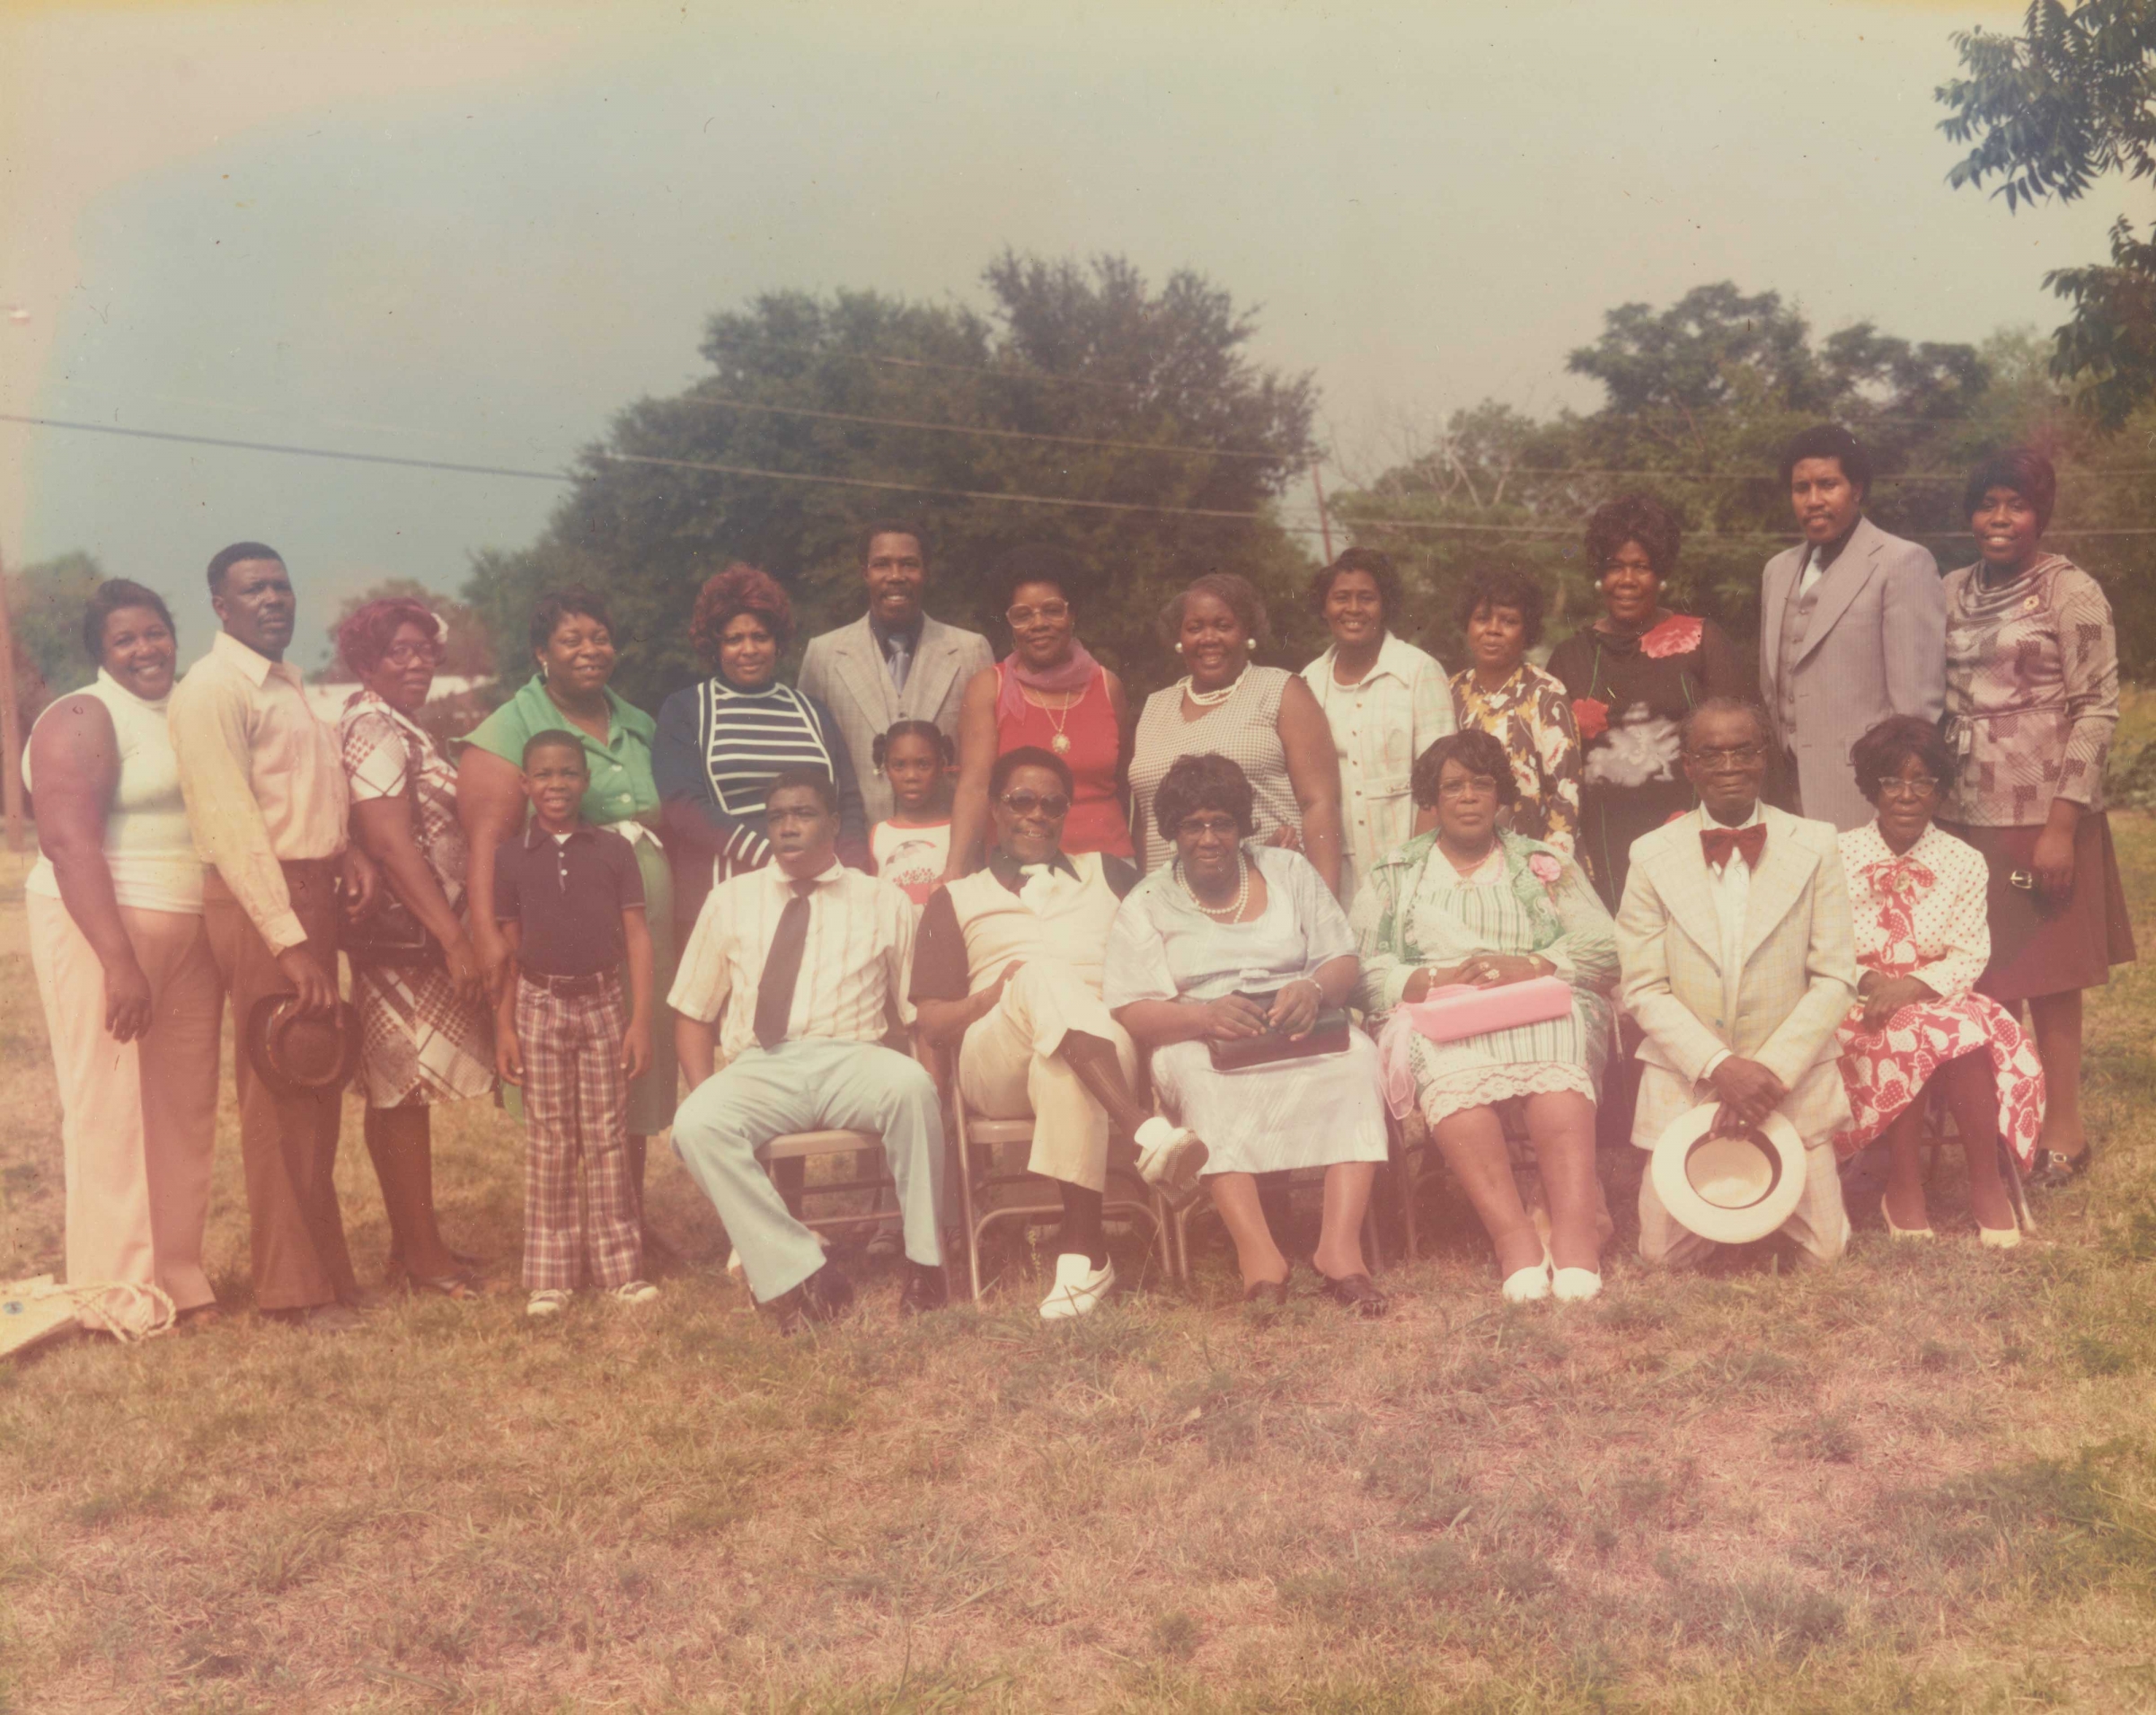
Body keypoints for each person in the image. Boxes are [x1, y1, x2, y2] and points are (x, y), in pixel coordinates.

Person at [912, 747, 1204, 1319]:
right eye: (1022, 801)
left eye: (1052, 804)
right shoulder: (956, 897)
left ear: (1066, 813)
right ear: (995, 809)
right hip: (994, 1056)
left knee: (1063, 1057)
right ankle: (1140, 1129)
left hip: (1099, 1047)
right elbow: (931, 1022)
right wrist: (994, 995)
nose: (1036, 814)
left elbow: (1183, 918)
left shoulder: (1111, 874)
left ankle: (1084, 1258)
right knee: (1041, 976)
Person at [169, 542, 379, 1330]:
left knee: (314, 1074)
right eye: (253, 589)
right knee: (280, 1079)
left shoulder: (286, 683)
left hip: (312, 890)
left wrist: (350, 848)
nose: (273, 599)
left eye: (282, 586)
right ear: (219, 606)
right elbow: (229, 824)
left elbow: (310, 790)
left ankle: (324, 1269)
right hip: (263, 902)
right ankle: (292, 1290)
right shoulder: (212, 690)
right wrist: (287, 941)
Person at [1106, 755, 1389, 1313]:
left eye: (1222, 823)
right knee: (1205, 1081)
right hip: (1196, 1031)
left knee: (1357, 1060)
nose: (1209, 838)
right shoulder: (1146, 901)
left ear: (1242, 826)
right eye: (1193, 825)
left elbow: (1340, 957)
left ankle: (1339, 1249)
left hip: (1294, 1017)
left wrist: (1311, 989)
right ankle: (1259, 1257)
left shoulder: (1288, 870)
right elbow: (1131, 1008)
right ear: (1172, 833)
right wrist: (1202, 1016)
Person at [668, 769, 950, 1329]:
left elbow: (917, 1012)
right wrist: (715, 1094)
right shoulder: (730, 899)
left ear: (834, 823)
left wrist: (935, 1086)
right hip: (762, 1066)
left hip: (854, 1058)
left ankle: (927, 1264)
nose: (788, 827)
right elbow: (692, 1013)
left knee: (914, 1089)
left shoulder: (882, 899)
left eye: (803, 814)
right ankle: (801, 1269)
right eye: (777, 817)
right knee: (694, 1125)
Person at [1352, 730, 1619, 1303]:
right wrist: (1437, 980)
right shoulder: (1394, 871)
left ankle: (1574, 1234)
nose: (1468, 797)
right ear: (1432, 798)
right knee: (1444, 1055)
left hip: (1536, 997)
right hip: (1440, 1008)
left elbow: (1605, 945)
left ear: (1500, 796)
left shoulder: (1543, 862)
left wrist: (1529, 964)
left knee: (1564, 1030)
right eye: (1453, 786)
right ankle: (1513, 1238)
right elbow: (1366, 971)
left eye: (1481, 784)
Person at [459, 587, 679, 1261]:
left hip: (641, 923)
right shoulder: (507, 728)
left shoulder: (637, 721)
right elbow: (486, 846)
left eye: (600, 637)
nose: (590, 650)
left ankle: (624, 1221)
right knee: (559, 1088)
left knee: (629, 1073)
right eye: (571, 640)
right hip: (555, 932)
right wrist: (490, 939)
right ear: (540, 652)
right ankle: (562, 1232)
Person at [1936, 447, 2134, 1188]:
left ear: (2039, 514)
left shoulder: (2069, 590)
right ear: (1969, 513)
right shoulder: (1949, 589)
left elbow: (2097, 709)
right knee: (1984, 975)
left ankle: (2065, 1131)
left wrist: (2061, 825)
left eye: (2015, 505)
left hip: (2043, 810)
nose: (1999, 519)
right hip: (1962, 813)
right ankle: (2000, 1118)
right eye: (1987, 503)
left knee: (2050, 975)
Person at [24, 580, 220, 1326]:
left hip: (188, 926)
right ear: (100, 654)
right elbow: (69, 844)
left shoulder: (188, 707)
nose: (146, 649)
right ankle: (116, 1293)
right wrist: (117, 961)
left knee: (182, 1107)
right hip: (103, 926)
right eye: (125, 640)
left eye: (155, 632)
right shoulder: (83, 715)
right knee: (108, 1106)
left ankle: (177, 1273)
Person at [1614, 698, 1859, 1269]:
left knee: (1827, 1254)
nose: (1729, 766)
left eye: (1743, 751)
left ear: (1764, 759)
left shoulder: (1816, 843)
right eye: (1711, 754)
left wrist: (1768, 1074)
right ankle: (1735, 1213)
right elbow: (1644, 987)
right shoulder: (1651, 855)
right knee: (1661, 1256)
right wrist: (1722, 1068)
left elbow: (1835, 978)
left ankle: (1765, 1213)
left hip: (1788, 1079)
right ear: (1688, 767)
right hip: (1691, 1076)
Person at [335, 597, 496, 1299]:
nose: (417, 661)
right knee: (399, 1090)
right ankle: (424, 1258)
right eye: (399, 650)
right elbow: (391, 843)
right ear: (367, 660)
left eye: (425, 649)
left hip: (415, 936)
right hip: (403, 940)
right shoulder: (373, 727)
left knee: (404, 1088)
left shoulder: (399, 726)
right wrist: (454, 935)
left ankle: (412, 1242)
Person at [1833, 717, 2046, 1244]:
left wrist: (1909, 988)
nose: (1907, 795)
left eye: (1922, 781)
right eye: (1892, 781)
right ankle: (1903, 1184)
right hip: (1854, 1000)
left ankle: (1986, 1181)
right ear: (1871, 787)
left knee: (1959, 1034)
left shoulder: (1962, 861)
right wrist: (1870, 981)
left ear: (1939, 789)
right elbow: (1823, 944)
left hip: (1938, 992)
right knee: (1915, 1030)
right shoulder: (1835, 854)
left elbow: (1969, 952)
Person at [491, 732, 658, 1317]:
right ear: (524, 784)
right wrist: (504, 1026)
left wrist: (640, 1019)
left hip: (603, 999)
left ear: (586, 780)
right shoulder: (511, 857)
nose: (556, 785)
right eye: (543, 774)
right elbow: (508, 950)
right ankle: (551, 1276)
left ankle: (621, 1271)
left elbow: (637, 934)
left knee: (608, 1134)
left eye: (567, 773)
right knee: (551, 1139)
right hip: (539, 1002)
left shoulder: (613, 849)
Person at [1547, 495, 1751, 910]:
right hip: (1601, 845)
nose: (1627, 579)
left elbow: (1745, 747)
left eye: (1640, 566)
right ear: (1600, 575)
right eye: (1614, 567)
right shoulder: (1570, 656)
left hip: (1690, 839)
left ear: (1660, 573)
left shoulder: (1702, 641)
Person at [654, 562, 868, 933]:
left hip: (819, 895)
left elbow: (845, 801)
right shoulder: (686, 709)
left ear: (777, 641)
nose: (748, 649)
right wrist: (776, 859)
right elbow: (683, 806)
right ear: (715, 646)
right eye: (734, 639)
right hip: (724, 898)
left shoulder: (812, 712)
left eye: (760, 636)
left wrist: (851, 878)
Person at [1757, 423, 1946, 830]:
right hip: (1783, 795)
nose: (1813, 501)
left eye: (1828, 485)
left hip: (1863, 795)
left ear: (1857, 489)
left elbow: (1915, 712)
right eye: (1800, 488)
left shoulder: (1902, 563)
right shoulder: (1777, 570)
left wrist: (1898, 800)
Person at [1127, 572, 1346, 894]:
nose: (1209, 638)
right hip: (1172, 903)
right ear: (1179, 639)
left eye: (1223, 625)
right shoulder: (1155, 707)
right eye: (1195, 628)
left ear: (1247, 633)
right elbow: (1145, 820)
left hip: (1266, 894)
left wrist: (1324, 906)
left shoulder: (1282, 690)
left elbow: (1320, 804)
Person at [948, 544, 1135, 875]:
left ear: (1072, 613)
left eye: (1052, 610)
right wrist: (955, 870)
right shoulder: (987, 687)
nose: (1039, 623)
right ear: (1010, 624)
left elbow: (1123, 783)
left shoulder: (1108, 686)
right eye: (1023, 615)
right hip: (1018, 868)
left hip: (1107, 866)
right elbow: (974, 788)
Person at [798, 519, 994, 828]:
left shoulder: (970, 651)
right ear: (865, 573)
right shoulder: (823, 655)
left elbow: (983, 767)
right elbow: (811, 769)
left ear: (925, 572)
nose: (895, 577)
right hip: (855, 846)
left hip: (946, 843)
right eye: (881, 565)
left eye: (909, 565)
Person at [1297, 547, 1454, 906]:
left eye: (1366, 598)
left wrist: (1414, 873)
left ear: (1384, 606)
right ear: (1324, 608)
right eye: (1341, 598)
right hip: (1333, 872)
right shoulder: (1308, 681)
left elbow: (1441, 782)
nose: (1353, 609)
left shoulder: (1418, 671)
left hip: (1407, 869)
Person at [1447, 563, 1580, 858]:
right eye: (1482, 619)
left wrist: (1548, 868)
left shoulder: (1546, 694)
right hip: (1464, 856)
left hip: (1534, 857)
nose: (1493, 630)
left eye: (1508, 621)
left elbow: (1565, 795)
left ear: (1527, 631)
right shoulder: (1450, 693)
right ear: (1467, 625)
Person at [870, 720, 956, 906]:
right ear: (887, 768)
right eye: (899, 765)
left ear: (942, 765)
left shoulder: (957, 831)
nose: (911, 776)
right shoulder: (879, 833)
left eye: (923, 765)